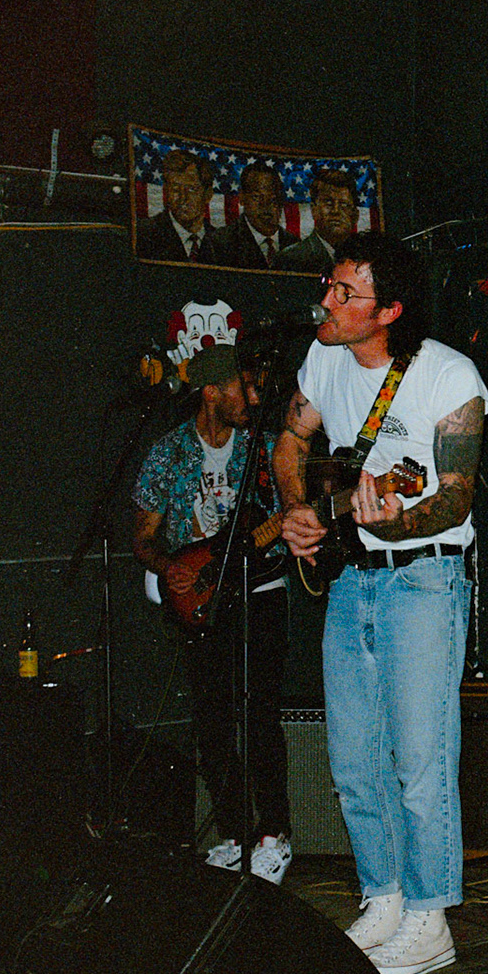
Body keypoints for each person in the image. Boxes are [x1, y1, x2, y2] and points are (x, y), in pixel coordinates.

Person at [276, 232, 488, 974]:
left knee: (420, 761)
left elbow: (454, 498)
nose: (326, 302)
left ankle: (432, 916)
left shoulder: (447, 376)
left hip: (424, 580)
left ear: (389, 310)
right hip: (350, 580)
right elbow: (289, 442)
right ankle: (385, 897)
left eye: (346, 293)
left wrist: (393, 523)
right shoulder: (324, 359)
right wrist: (298, 510)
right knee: (353, 759)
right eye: (328, 286)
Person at [131, 341, 294, 883]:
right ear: (211, 392)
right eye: (242, 389)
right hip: (203, 601)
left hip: (262, 590)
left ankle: (274, 836)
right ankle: (234, 834)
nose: (253, 398)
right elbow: (143, 538)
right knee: (213, 723)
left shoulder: (267, 449)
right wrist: (168, 568)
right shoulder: (168, 453)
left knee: (260, 716)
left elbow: (292, 511)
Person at [137, 150, 221, 264]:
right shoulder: (143, 233)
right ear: (166, 191)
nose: (183, 198)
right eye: (175, 189)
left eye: (192, 189)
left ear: (208, 195)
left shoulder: (221, 242)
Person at [275, 168, 361, 274]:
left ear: (355, 215)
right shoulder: (290, 258)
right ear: (313, 210)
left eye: (343, 204)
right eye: (328, 203)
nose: (335, 211)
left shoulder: (364, 258)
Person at [209, 161, 293, 268]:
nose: (265, 205)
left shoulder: (294, 245)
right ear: (242, 198)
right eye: (257, 197)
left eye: (273, 198)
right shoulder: (219, 243)